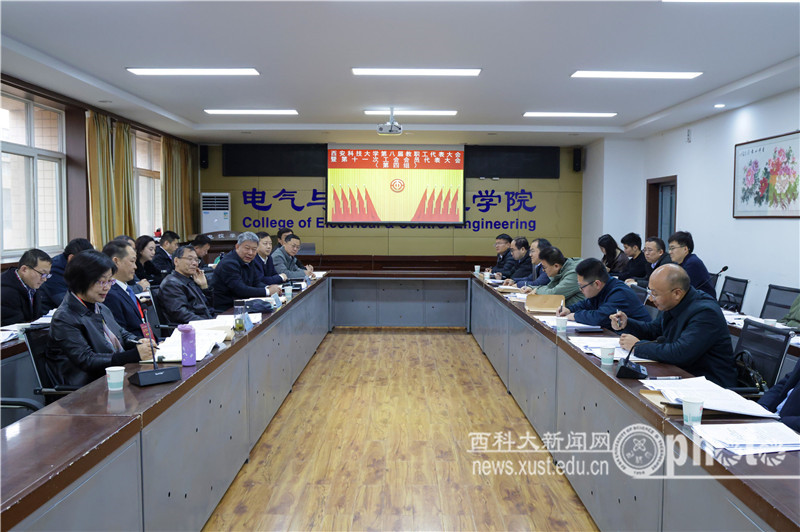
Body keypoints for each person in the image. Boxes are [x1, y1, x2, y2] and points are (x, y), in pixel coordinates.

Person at [610, 264, 735, 388]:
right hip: (680, 375)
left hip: (710, 385)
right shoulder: (672, 303)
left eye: (655, 294)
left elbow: (680, 353)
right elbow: (653, 330)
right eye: (650, 292)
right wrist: (627, 323)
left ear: (677, 293)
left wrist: (637, 346)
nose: (651, 299)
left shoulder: (705, 312)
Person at [46, 250, 155, 388]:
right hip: (86, 387)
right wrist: (134, 355)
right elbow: (87, 360)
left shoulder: (100, 307)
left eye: (110, 281)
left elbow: (121, 333)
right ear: (81, 280)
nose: (107, 287)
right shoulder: (64, 317)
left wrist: (138, 341)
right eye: (102, 282)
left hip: (112, 377)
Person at [556, 258, 651, 329]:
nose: (580, 290)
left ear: (597, 284)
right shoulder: (602, 288)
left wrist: (574, 316)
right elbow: (587, 304)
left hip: (639, 341)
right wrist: (569, 309)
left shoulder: (619, 293)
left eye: (582, 286)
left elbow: (600, 318)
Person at [211, 232, 282, 312]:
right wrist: (268, 291)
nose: (250, 253)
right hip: (227, 309)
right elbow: (241, 290)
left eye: (254, 249)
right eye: (247, 248)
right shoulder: (229, 263)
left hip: (244, 305)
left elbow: (256, 283)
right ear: (237, 246)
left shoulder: (249, 261)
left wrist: (268, 287)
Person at [157, 245, 216, 323]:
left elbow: (209, 308)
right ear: (176, 261)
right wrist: (208, 323)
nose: (194, 263)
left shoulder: (190, 280)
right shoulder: (171, 284)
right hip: (191, 327)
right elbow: (181, 315)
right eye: (190, 259)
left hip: (205, 322)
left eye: (196, 260)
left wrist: (204, 286)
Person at [101, 240, 145, 337]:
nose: (135, 267)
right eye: (132, 261)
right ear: (116, 261)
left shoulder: (125, 289)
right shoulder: (110, 294)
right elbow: (121, 335)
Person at [39, 237, 93, 310]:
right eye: (85, 262)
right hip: (50, 311)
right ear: (71, 258)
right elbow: (65, 302)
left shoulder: (75, 267)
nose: (88, 266)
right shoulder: (54, 269)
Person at [1, 249, 52, 326]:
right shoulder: (6, 292)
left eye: (47, 275)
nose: (44, 279)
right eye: (42, 274)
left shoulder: (32, 284)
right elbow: (14, 326)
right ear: (24, 269)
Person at [520, 246, 585, 306]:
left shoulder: (574, 272)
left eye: (544, 267)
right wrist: (531, 288)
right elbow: (550, 287)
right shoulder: (561, 269)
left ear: (556, 266)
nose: (543, 270)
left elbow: (554, 294)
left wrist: (537, 290)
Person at [667, 231, 715, 298]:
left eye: (672, 248)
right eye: (669, 248)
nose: (670, 252)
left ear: (685, 249)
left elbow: (682, 290)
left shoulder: (692, 263)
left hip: (704, 301)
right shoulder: (678, 264)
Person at [758, 362, 800, 432]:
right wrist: (762, 407)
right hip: (772, 418)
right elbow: (785, 383)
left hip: (789, 428)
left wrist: (780, 421)